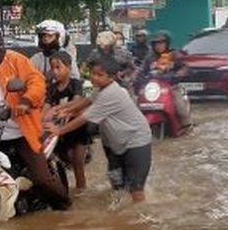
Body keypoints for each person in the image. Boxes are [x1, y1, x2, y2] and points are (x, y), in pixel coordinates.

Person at [0, 20, 70, 210]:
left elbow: (36, 82)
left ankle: (65, 205)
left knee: (42, 179)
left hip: (21, 131)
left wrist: (25, 101)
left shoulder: (14, 59)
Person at [51, 57, 153, 202]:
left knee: (136, 188)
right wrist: (65, 110)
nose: (94, 78)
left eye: (100, 75)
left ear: (111, 77)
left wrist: (59, 131)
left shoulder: (111, 93)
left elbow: (84, 118)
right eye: (93, 73)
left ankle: (138, 218)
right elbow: (85, 101)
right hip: (113, 143)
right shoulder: (99, 89)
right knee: (117, 185)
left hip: (136, 141)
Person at [42, 52, 88, 190]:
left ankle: (81, 190)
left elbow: (76, 102)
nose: (55, 71)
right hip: (60, 132)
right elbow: (45, 109)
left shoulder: (76, 84)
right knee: (61, 162)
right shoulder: (51, 89)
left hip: (78, 129)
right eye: (53, 68)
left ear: (68, 67)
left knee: (78, 162)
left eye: (59, 67)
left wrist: (60, 111)